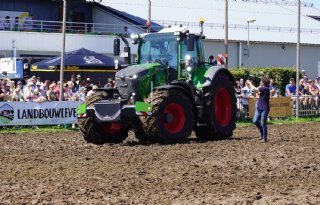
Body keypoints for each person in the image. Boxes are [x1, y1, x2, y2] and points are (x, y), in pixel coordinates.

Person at [248, 78, 270, 143]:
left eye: (261, 81)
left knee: (263, 123)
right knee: (255, 121)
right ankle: (262, 133)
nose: (260, 82)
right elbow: (256, 91)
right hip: (259, 107)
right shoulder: (263, 88)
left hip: (264, 108)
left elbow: (255, 89)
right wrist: (255, 89)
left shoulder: (265, 88)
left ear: (263, 82)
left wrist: (249, 83)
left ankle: (264, 138)